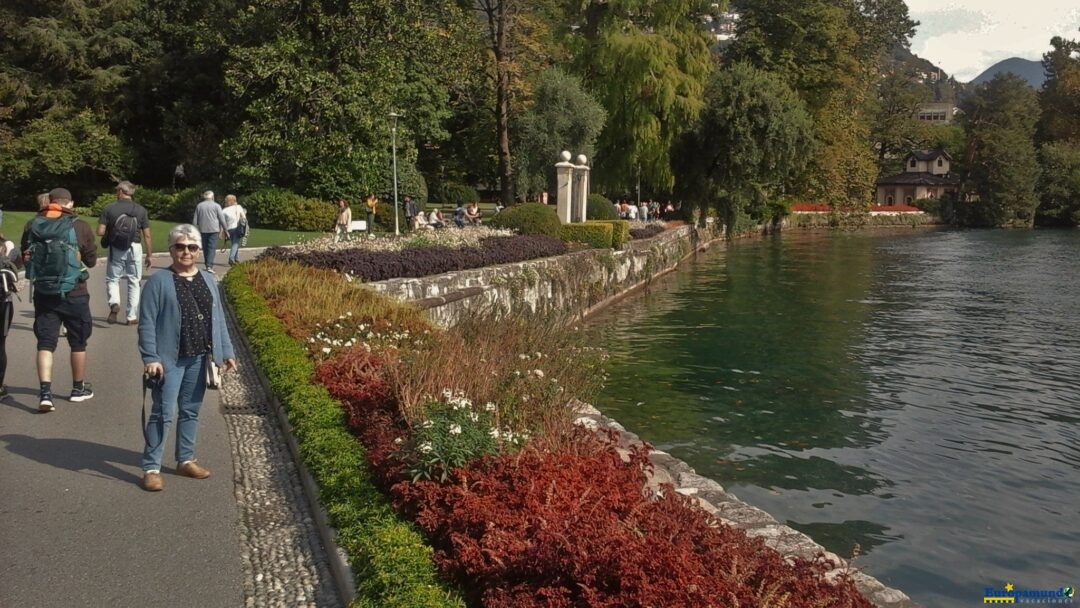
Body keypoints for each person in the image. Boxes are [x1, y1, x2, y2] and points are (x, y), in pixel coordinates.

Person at [138, 224, 237, 492]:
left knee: (191, 410)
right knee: (162, 412)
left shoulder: (207, 279)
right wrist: (150, 357)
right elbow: (146, 323)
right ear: (170, 249)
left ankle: (185, 459)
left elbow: (218, 319)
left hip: (198, 356)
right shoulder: (158, 282)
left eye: (192, 247)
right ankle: (151, 466)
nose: (186, 252)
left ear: (199, 250)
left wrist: (225, 351)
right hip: (169, 359)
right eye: (180, 246)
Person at [21, 187, 98, 411]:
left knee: (45, 343)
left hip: (44, 293)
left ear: (50, 201)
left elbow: (26, 255)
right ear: (70, 204)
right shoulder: (80, 225)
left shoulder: (33, 224)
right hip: (75, 292)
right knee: (78, 343)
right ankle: (78, 388)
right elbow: (91, 261)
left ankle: (45, 394)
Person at [97, 181, 152, 325]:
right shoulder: (141, 210)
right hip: (135, 247)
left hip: (117, 248)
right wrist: (150, 255)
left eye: (117, 190)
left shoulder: (109, 208)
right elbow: (147, 234)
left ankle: (114, 303)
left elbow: (100, 231)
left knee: (113, 278)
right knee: (134, 281)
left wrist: (109, 231)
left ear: (121, 191)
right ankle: (131, 316)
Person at [191, 191, 228, 273]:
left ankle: (207, 264)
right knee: (212, 247)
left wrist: (194, 230)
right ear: (213, 197)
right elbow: (222, 219)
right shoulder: (216, 206)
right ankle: (209, 266)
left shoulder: (199, 206)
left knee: (205, 248)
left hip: (203, 229)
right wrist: (226, 230)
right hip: (214, 229)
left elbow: (195, 220)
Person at [221, 194, 247, 266]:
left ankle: (236, 259)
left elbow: (222, 222)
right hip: (237, 228)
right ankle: (231, 259)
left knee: (234, 243)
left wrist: (222, 231)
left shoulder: (224, 210)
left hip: (228, 229)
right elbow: (244, 218)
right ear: (234, 201)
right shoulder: (238, 207)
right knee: (235, 244)